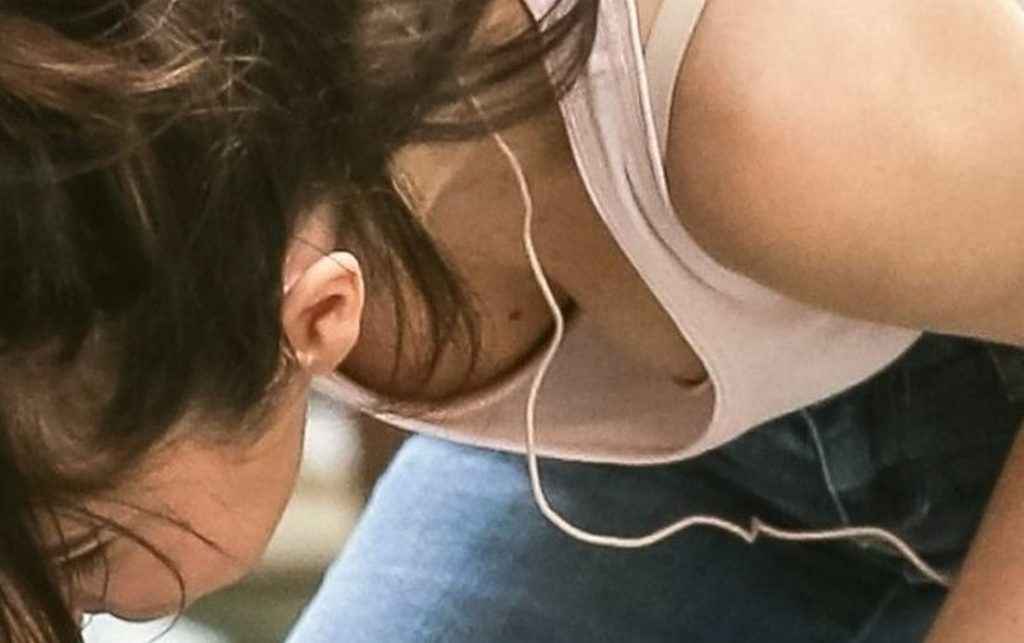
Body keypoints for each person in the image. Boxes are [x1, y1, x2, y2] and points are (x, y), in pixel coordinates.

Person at [1, 0, 1023, 642]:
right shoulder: (187, 172)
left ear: (318, 316)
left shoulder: (768, 102)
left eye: (81, 559)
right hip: (671, 467)